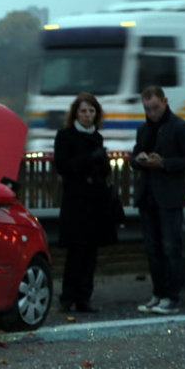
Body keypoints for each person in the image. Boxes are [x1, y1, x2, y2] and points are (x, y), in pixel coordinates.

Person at [132, 86, 185, 315]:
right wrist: (139, 159)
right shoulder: (144, 129)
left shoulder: (180, 127)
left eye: (154, 107)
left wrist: (164, 163)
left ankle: (172, 296)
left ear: (165, 102)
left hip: (169, 196)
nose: (151, 113)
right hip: (148, 195)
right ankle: (158, 293)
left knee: (170, 247)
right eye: (147, 108)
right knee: (153, 249)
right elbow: (134, 156)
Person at [54, 92, 118, 313]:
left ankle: (84, 297)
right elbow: (62, 166)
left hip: (95, 201)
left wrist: (103, 163)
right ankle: (67, 297)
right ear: (76, 113)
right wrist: (90, 159)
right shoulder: (65, 136)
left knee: (91, 252)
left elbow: (102, 171)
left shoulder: (97, 137)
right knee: (76, 251)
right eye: (83, 111)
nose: (87, 115)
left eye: (91, 111)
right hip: (75, 201)